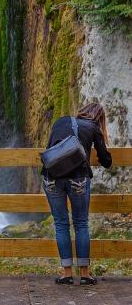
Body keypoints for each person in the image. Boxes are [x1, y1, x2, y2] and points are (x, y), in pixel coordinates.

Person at [42, 102, 112, 285]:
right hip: (78, 178)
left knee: (60, 223)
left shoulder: (61, 122)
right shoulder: (93, 128)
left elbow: (51, 148)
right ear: (99, 117)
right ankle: (85, 274)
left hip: (52, 177)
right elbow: (105, 160)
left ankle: (66, 273)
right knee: (81, 223)